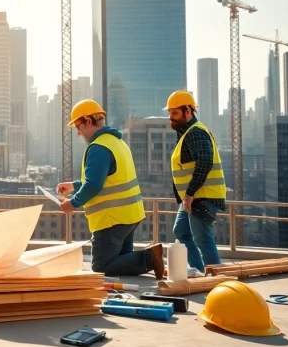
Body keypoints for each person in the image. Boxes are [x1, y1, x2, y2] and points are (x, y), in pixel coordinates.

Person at [56, 99, 164, 279]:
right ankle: (151, 260)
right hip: (130, 215)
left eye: (78, 126)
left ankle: (149, 258)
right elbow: (108, 179)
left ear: (88, 121)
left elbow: (93, 184)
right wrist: (74, 186)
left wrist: (72, 203)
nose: (78, 132)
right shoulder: (117, 142)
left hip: (112, 219)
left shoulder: (98, 148)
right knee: (123, 263)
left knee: (101, 265)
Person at [165, 90, 226, 273]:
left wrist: (190, 193)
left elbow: (205, 161)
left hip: (201, 196)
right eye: (170, 113)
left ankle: (216, 278)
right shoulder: (186, 133)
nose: (171, 117)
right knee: (181, 232)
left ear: (188, 111)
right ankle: (199, 271)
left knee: (203, 239)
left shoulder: (195, 133)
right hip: (192, 197)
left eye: (175, 113)